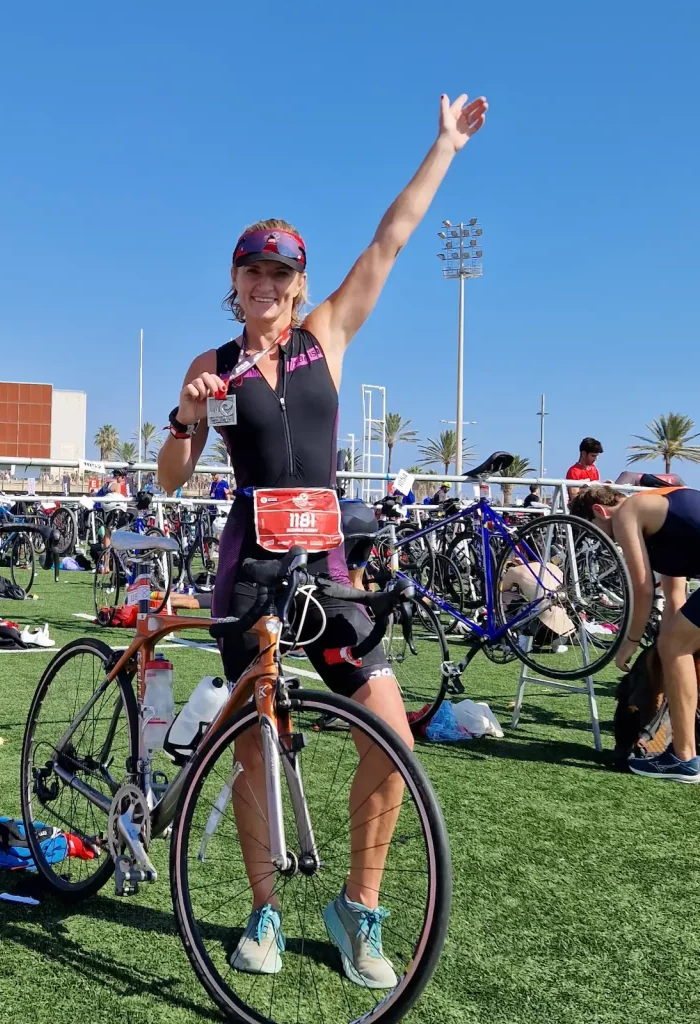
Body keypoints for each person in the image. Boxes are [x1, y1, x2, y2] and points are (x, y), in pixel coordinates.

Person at [157, 92, 487, 986]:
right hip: (251, 569)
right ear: (236, 283)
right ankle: (263, 909)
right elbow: (167, 480)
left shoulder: (324, 338)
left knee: (391, 734)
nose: (265, 287)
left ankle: (359, 909)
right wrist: (186, 420)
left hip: (327, 565)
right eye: (251, 274)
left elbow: (392, 240)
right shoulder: (211, 367)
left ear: (299, 285)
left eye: (280, 275)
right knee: (259, 741)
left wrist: (445, 146)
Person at [568, 484, 700, 782]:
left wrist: (628, 643)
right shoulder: (661, 515)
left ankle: (684, 758)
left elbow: (641, 591)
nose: (603, 542)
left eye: (596, 532)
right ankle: (684, 753)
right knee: (673, 644)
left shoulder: (629, 511)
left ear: (600, 512)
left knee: (675, 645)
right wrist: (664, 650)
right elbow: (674, 597)